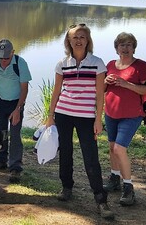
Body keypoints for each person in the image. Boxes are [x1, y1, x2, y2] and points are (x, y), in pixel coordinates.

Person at [45, 24, 114, 220]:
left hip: (86, 117)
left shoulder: (97, 63)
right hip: (63, 114)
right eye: (75, 37)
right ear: (68, 41)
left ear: (88, 40)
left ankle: (101, 198)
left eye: (82, 37)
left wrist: (98, 119)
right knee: (65, 152)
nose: (78, 40)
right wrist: (51, 116)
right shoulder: (62, 63)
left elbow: (100, 94)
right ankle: (66, 187)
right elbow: (56, 91)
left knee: (90, 156)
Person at [103, 32, 146, 206]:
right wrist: (106, 81)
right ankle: (114, 178)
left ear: (134, 47)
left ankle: (128, 187)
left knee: (119, 148)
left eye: (129, 45)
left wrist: (126, 84)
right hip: (111, 113)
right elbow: (101, 88)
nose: (125, 48)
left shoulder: (141, 66)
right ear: (116, 48)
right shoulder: (110, 65)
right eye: (122, 45)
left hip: (132, 114)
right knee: (112, 147)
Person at [0, 39, 32, 183]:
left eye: (7, 58)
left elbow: (25, 88)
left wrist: (18, 109)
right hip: (0, 101)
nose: (4, 61)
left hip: (16, 103)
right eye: (1, 57)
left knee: (15, 135)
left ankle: (15, 167)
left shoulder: (20, 63)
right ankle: (1, 161)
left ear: (13, 53)